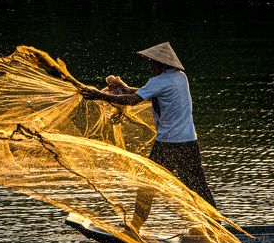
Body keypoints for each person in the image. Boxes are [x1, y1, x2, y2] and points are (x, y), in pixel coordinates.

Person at [81, 41, 216, 229]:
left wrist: (100, 95)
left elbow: (133, 100)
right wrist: (124, 88)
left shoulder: (159, 82)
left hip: (169, 144)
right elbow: (147, 93)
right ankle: (215, 225)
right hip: (189, 142)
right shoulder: (180, 78)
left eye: (152, 63)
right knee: (198, 186)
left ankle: (134, 228)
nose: (150, 66)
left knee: (147, 187)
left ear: (162, 64)